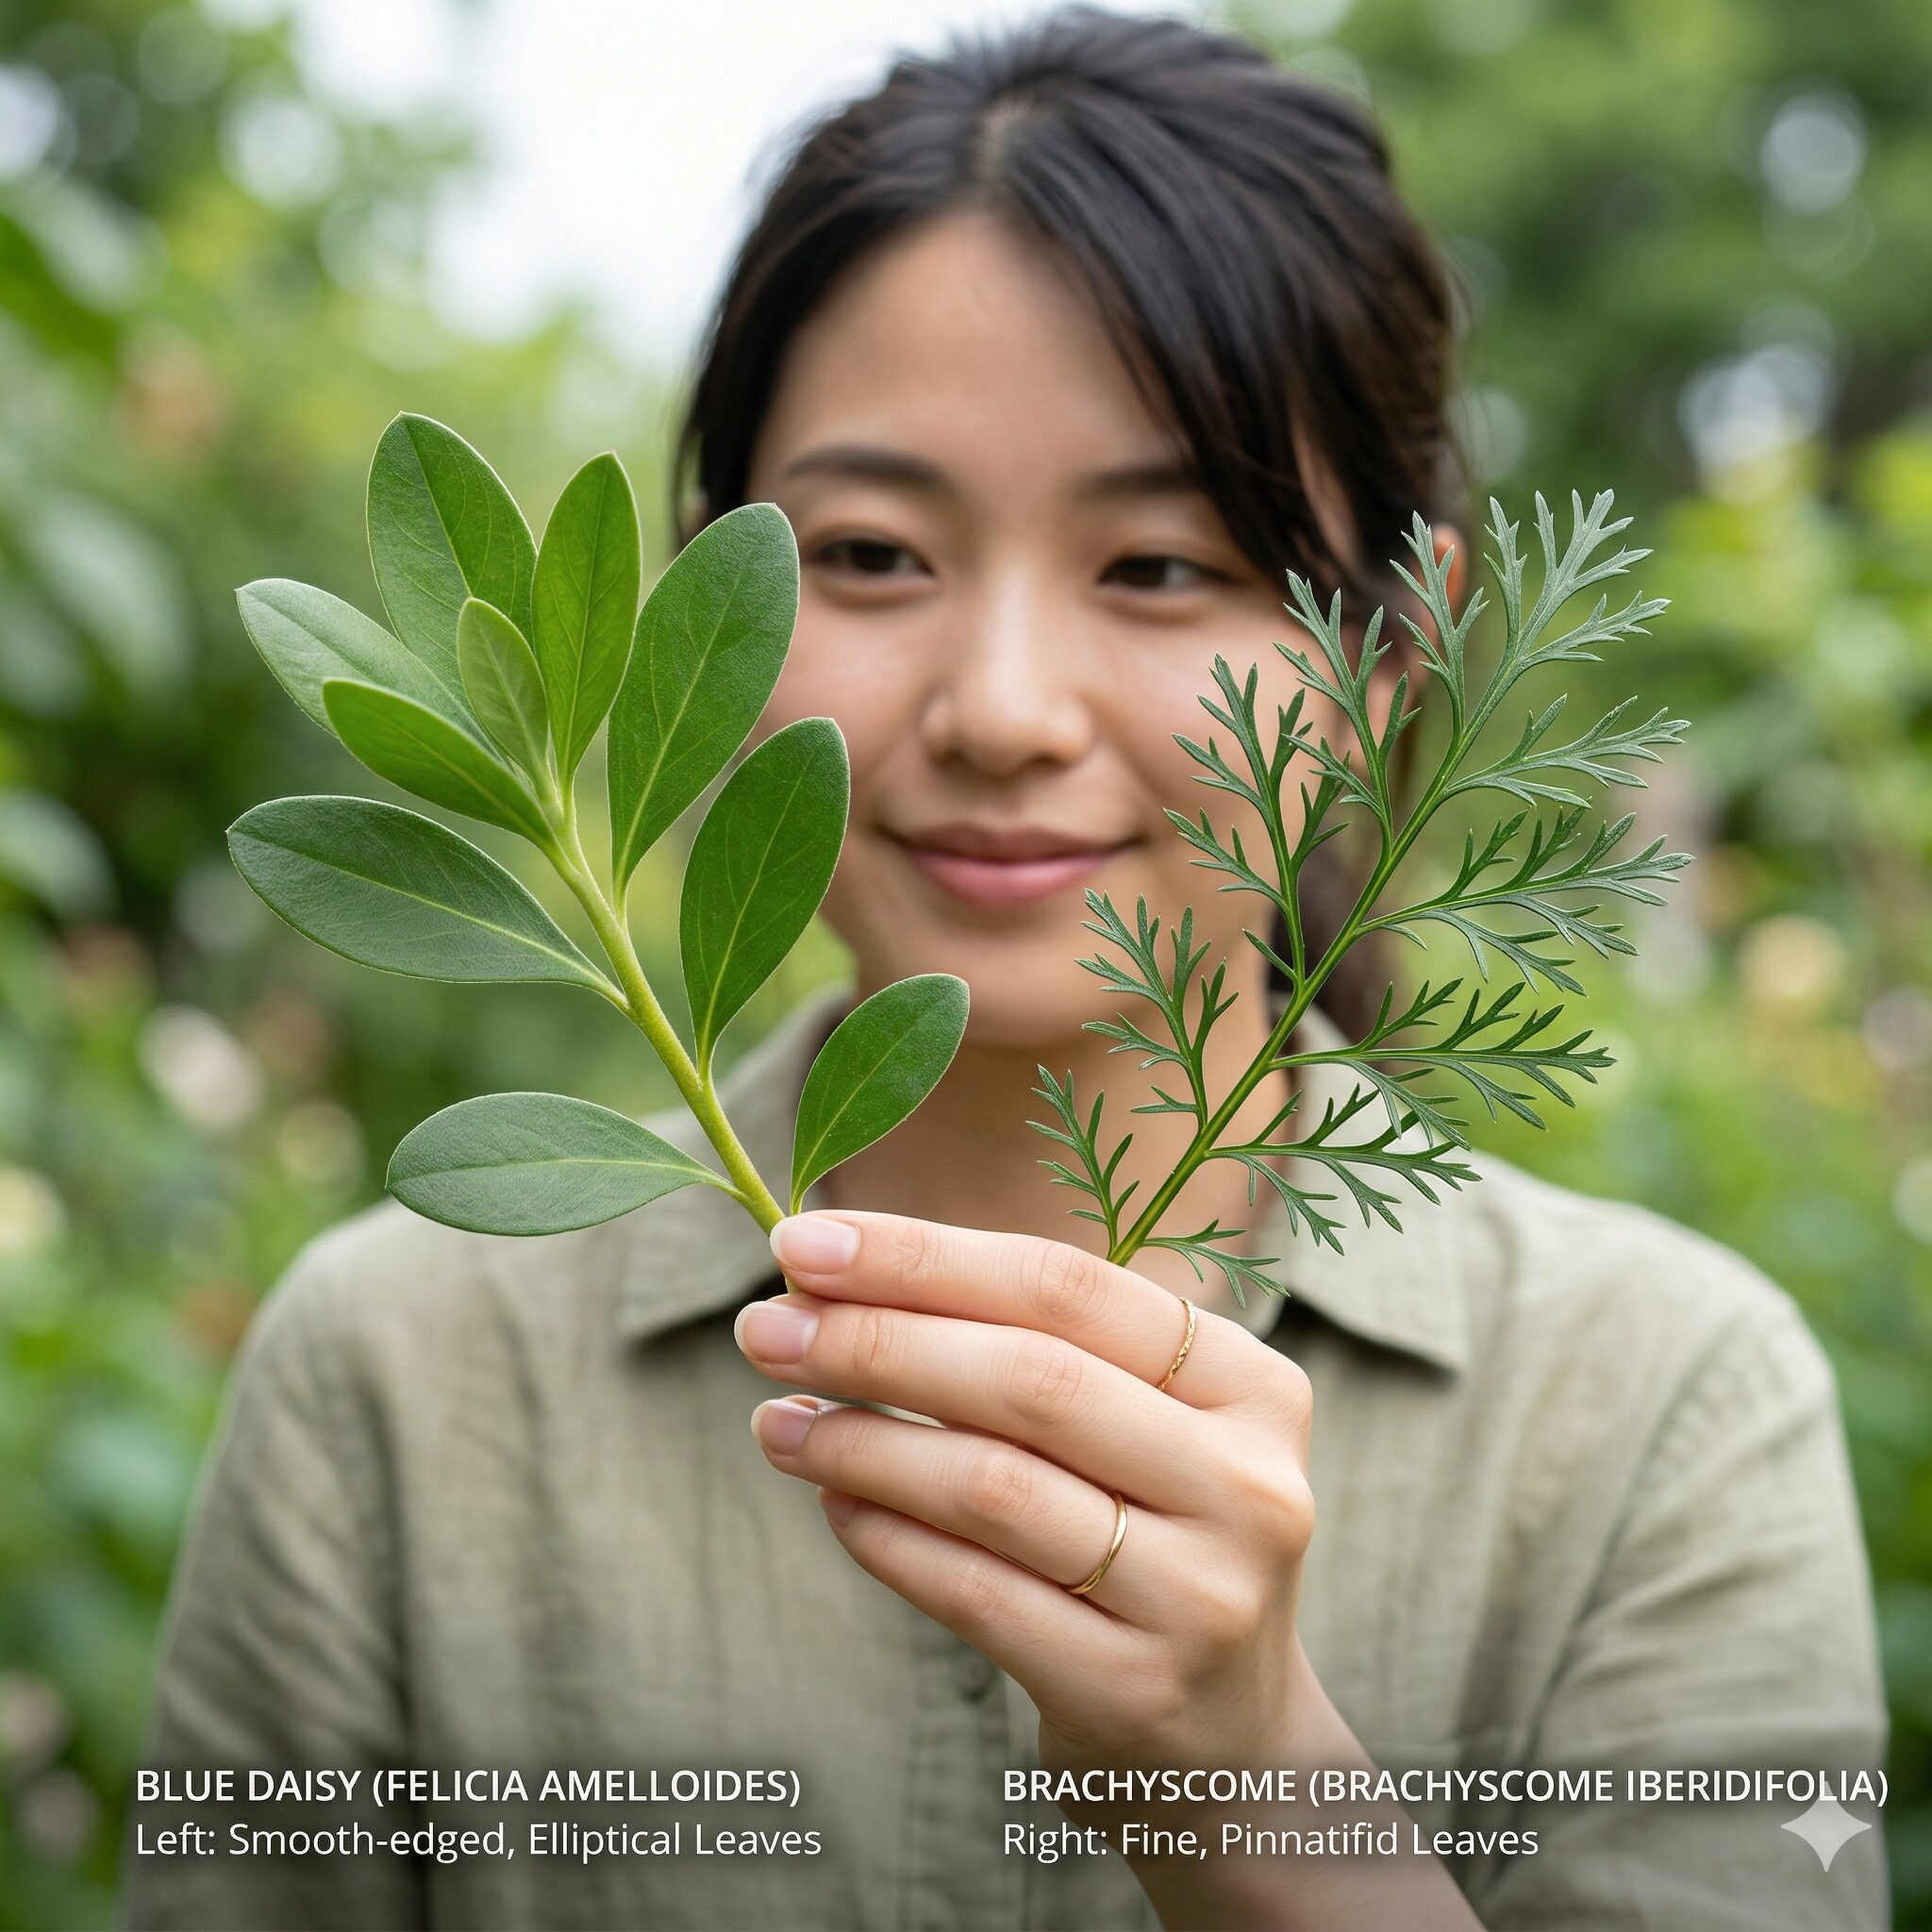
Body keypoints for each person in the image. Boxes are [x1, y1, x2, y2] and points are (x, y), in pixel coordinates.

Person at [123, 9, 1890, 1929]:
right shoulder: (392, 1373)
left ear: (1399, 656)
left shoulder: (1662, 1413)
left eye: (1161, 566)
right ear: (709, 618)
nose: (1003, 709)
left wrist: (1256, 1806)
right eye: (874, 555)